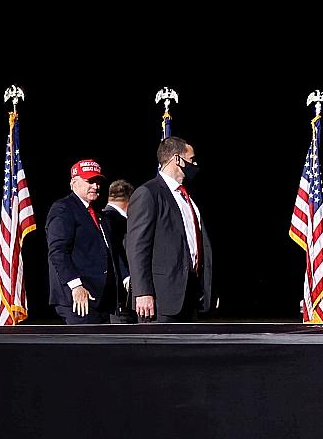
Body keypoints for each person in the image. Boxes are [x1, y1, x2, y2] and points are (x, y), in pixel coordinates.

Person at [125, 136, 213, 322]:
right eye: (192, 159)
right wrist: (142, 292)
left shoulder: (187, 197)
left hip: (190, 294)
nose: (195, 164)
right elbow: (137, 246)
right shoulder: (149, 193)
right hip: (160, 298)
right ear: (177, 159)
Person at [45, 158, 116, 324]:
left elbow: (109, 250)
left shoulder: (98, 212)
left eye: (98, 181)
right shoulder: (63, 208)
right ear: (73, 183)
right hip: (78, 299)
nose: (96, 186)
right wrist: (76, 286)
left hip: (101, 298)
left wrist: (126, 279)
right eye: (89, 181)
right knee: (86, 348)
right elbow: (58, 251)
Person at [101, 179, 134, 322]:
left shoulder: (100, 218)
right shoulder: (117, 222)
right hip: (121, 297)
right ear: (130, 200)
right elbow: (116, 252)